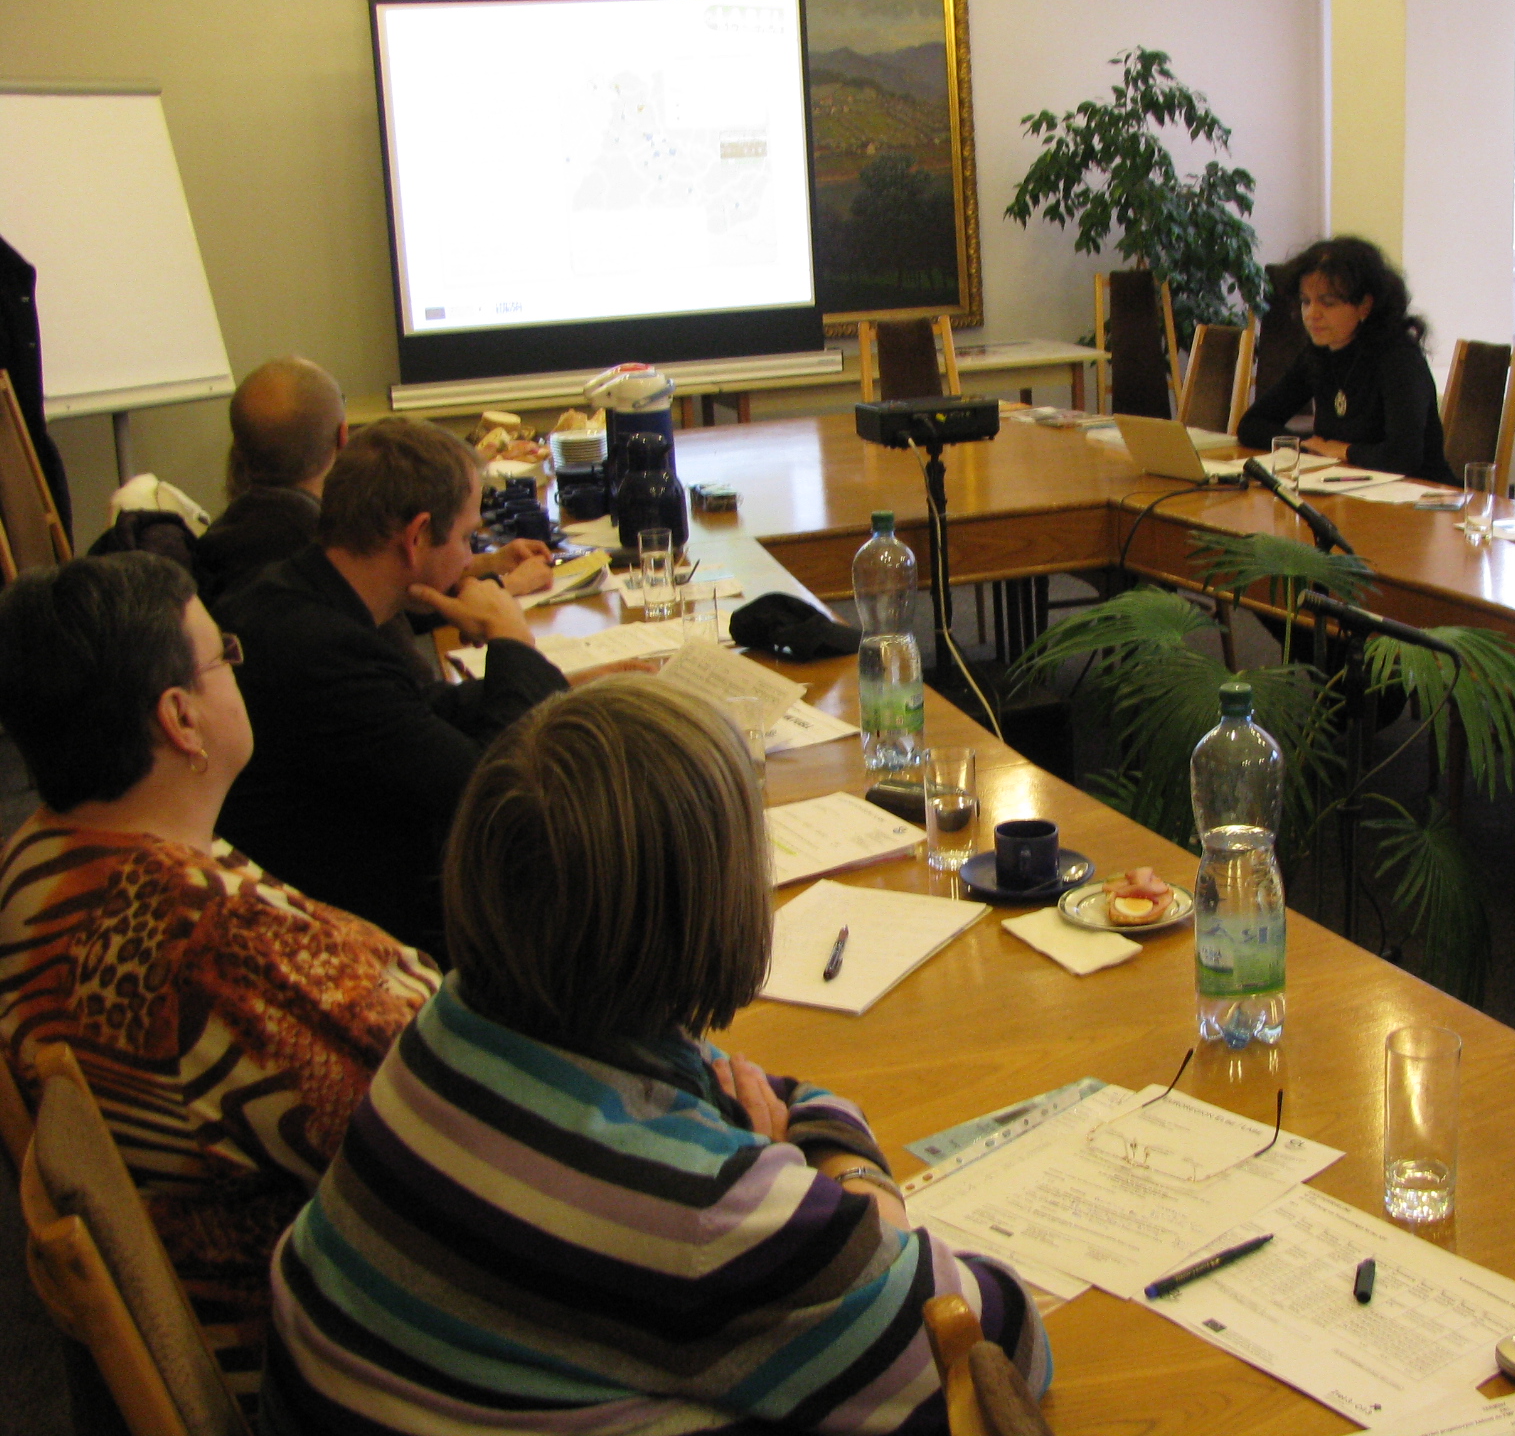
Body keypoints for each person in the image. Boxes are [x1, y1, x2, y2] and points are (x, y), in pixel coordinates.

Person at [263, 677, 1051, 1435]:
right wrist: (862, 1195)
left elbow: (754, 1088)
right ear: (717, 906)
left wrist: (783, 1163)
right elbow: (1001, 1351)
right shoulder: (701, 1210)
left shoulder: (457, 1024)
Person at [0, 553, 438, 1404]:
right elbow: (455, 1142)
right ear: (180, 719)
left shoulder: (42, 854)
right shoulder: (209, 947)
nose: (239, 666)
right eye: (224, 655)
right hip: (351, 1349)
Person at [215, 418, 571, 954]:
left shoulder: (299, 594)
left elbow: (415, 713)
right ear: (417, 536)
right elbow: (495, 790)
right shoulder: (322, 650)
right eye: (466, 537)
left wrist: (571, 696)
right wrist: (512, 642)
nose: (469, 558)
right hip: (364, 941)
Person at [194, 356, 552, 604]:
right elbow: (399, 601)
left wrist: (487, 564)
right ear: (342, 439)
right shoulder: (316, 543)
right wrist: (507, 586)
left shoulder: (233, 533)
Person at [1235, 236, 1454, 483]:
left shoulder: (1398, 357)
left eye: (1328, 303)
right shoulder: (1318, 353)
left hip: (1422, 492)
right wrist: (1306, 445)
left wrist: (1344, 451)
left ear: (1364, 306)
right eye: (1306, 301)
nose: (1312, 314)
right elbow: (1252, 424)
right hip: (1348, 487)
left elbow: (1403, 456)